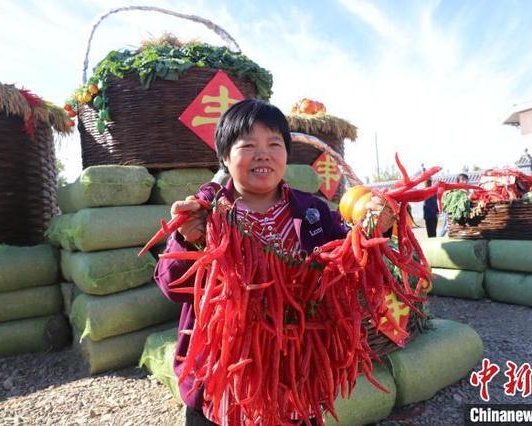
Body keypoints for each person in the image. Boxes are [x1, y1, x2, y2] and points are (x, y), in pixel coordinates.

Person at [154, 99, 394, 425]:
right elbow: (171, 286)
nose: (262, 153)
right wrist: (186, 239)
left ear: (286, 155)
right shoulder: (206, 215)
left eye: (274, 144)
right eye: (248, 145)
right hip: (224, 379)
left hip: (296, 372)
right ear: (225, 156)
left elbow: (351, 261)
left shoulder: (313, 211)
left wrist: (374, 230)